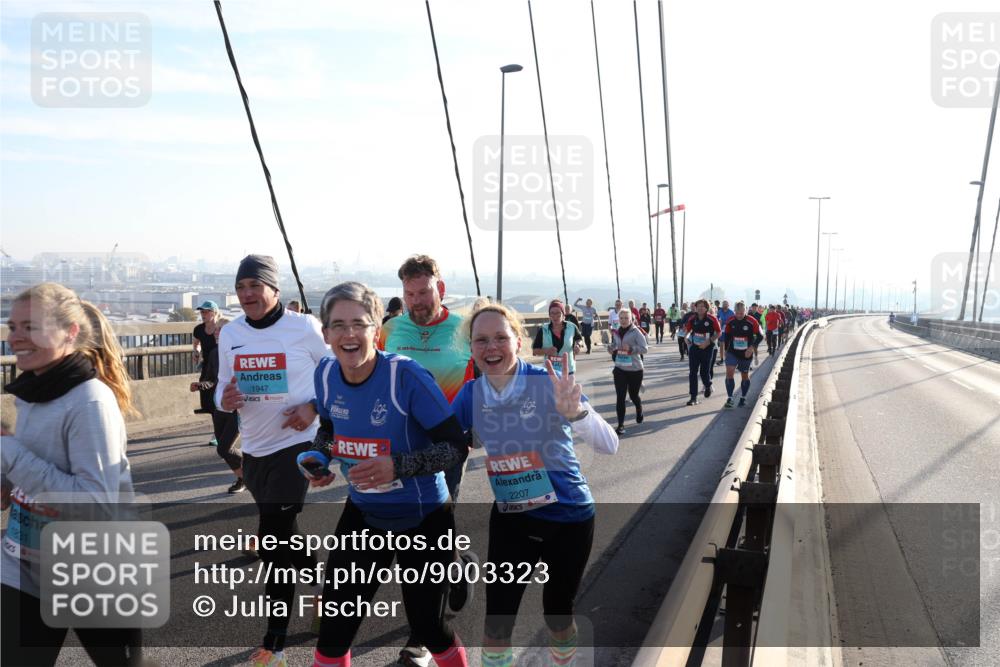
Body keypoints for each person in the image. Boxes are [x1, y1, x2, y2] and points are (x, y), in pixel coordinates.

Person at [299, 282, 470, 667]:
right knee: (334, 631)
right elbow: (329, 427)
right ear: (325, 334)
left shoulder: (406, 377)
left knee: (429, 628)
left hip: (424, 517)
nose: (348, 334)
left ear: (376, 330)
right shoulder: (325, 374)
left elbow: (456, 446)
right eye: (338, 325)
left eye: (358, 324)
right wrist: (321, 456)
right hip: (363, 513)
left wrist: (399, 465)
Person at [452, 302, 618, 667]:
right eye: (481, 340)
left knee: (557, 615)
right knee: (496, 623)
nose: (491, 347)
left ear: (518, 340)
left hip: (569, 517)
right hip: (512, 519)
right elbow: (443, 441)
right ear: (471, 347)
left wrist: (578, 414)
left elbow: (609, 445)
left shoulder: (548, 383)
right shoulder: (470, 395)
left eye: (500, 337)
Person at [2, 283, 143, 666]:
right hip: (23, 565)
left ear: (70, 332)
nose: (14, 337)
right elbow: (29, 477)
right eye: (13, 326)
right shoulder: (31, 392)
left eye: (29, 326)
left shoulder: (90, 401)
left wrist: (9, 452)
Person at [216, 255, 330, 667]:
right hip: (256, 449)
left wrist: (313, 408)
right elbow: (222, 388)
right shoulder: (230, 333)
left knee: (273, 539)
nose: (247, 294)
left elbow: (334, 371)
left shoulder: (303, 327)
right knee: (286, 531)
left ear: (274, 289)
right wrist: (222, 399)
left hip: (295, 446)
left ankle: (275, 646)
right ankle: (321, 588)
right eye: (241, 286)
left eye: (255, 285)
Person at [377, 255, 477, 665]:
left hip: (445, 447)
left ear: (441, 289)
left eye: (424, 292)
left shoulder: (465, 330)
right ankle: (457, 565)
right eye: (410, 294)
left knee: (423, 535)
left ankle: (420, 638)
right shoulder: (389, 330)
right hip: (396, 448)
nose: (417, 301)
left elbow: (491, 373)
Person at [189, 316, 244, 493]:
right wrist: (201, 385)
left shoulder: (241, 352)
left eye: (222, 329)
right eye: (217, 329)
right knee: (223, 450)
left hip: (237, 408)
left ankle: (251, 473)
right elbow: (212, 380)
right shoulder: (214, 353)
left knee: (225, 448)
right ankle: (243, 478)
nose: (217, 332)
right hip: (219, 408)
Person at [608, 308, 648, 434]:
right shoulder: (616, 332)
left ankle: (639, 408)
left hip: (635, 369)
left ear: (631, 319)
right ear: (618, 319)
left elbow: (644, 348)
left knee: (633, 395)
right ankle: (620, 425)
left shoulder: (636, 332)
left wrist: (631, 349)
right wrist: (611, 348)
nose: (624, 320)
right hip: (620, 368)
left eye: (626, 318)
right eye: (621, 318)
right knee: (620, 397)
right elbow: (615, 344)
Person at [722, 302, 762, 408]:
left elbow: (760, 336)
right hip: (733, 351)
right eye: (737, 313)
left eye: (741, 313)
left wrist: (751, 347)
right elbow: (727, 336)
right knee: (729, 372)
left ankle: (743, 397)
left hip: (746, 353)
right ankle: (730, 398)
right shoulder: (730, 320)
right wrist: (726, 350)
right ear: (734, 311)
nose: (739, 315)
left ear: (745, 311)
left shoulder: (752, 321)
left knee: (744, 375)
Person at [683, 300, 720, 406]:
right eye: (698, 306)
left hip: (707, 348)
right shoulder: (692, 318)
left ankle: (708, 385)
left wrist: (708, 342)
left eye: (703, 307)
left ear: (706, 308)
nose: (700, 308)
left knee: (704, 372)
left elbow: (718, 332)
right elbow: (688, 330)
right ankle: (693, 397)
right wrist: (686, 337)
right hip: (695, 347)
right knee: (693, 372)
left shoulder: (712, 319)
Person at [532, 299, 582, 377]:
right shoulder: (543, 330)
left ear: (563, 315)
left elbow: (579, 339)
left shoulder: (572, 327)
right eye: (552, 313)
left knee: (568, 389)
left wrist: (578, 345)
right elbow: (534, 351)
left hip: (568, 370)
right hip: (549, 372)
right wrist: (546, 351)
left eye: (558, 313)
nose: (555, 316)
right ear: (549, 315)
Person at [715, 300, 735, 367]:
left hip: (728, 331)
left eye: (726, 304)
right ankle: (721, 359)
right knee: (721, 346)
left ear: (728, 305)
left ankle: (728, 359)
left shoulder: (731, 312)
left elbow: (734, 321)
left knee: (727, 346)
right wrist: (719, 322)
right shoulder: (720, 311)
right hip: (721, 331)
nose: (725, 305)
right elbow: (717, 319)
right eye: (724, 304)